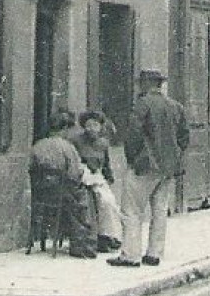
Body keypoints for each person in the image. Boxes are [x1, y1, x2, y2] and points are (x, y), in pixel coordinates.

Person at [108, 69, 189, 268]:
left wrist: (133, 158)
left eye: (141, 83)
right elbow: (184, 138)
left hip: (144, 165)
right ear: (160, 84)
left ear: (146, 84)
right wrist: (173, 157)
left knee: (132, 211)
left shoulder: (142, 104)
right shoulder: (175, 106)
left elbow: (134, 134)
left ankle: (130, 255)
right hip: (167, 168)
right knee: (160, 211)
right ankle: (154, 253)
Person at [30, 110, 96, 258]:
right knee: (87, 195)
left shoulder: (38, 145)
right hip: (64, 196)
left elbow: (32, 169)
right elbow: (74, 174)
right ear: (64, 128)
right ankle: (83, 244)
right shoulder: (67, 147)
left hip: (42, 196)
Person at [68, 110, 121, 253]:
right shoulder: (76, 141)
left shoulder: (103, 144)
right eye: (89, 125)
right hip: (82, 177)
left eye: (95, 125)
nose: (92, 128)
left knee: (108, 202)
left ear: (101, 127)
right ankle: (99, 237)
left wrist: (109, 177)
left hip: (97, 177)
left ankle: (108, 235)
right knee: (98, 200)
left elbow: (106, 164)